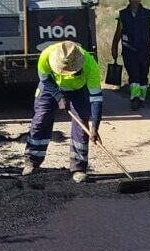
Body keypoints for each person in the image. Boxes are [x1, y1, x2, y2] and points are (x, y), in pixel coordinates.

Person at [23, 41, 103, 183]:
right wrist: (59, 97)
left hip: (79, 90)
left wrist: (95, 127)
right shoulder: (46, 56)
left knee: (81, 124)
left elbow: (96, 99)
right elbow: (44, 78)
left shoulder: (90, 66)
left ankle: (78, 168)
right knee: (41, 119)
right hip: (51, 87)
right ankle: (32, 162)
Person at [110, 0, 150, 110]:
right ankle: (134, 98)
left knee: (143, 75)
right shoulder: (123, 14)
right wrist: (114, 47)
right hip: (128, 50)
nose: (134, 0)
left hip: (144, 50)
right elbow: (118, 33)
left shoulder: (147, 14)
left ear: (140, 0)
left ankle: (142, 98)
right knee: (133, 74)